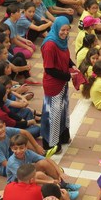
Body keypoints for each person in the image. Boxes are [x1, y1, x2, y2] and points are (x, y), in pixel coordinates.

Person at [41, 17, 76, 152]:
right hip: (53, 84)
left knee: (62, 110)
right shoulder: (50, 45)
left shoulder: (62, 41)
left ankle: (61, 136)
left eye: (67, 30)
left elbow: (66, 57)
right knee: (53, 113)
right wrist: (68, 75)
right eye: (63, 30)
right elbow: (49, 69)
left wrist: (72, 66)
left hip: (62, 82)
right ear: (56, 28)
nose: (65, 33)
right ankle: (50, 142)